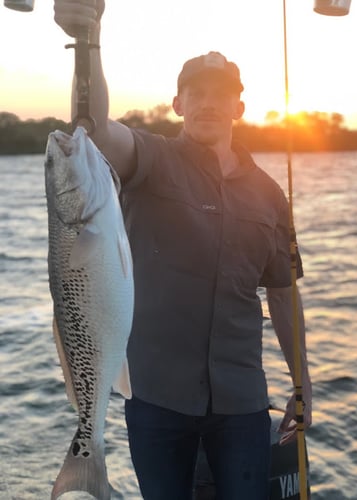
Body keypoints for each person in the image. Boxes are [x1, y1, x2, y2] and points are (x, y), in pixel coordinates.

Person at [54, 2, 312, 499]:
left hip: (242, 402)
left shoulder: (269, 195)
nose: (208, 103)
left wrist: (301, 383)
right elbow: (93, 129)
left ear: (239, 107)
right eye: (197, 93)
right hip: (156, 399)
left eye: (221, 95)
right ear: (178, 102)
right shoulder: (150, 159)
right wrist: (89, 40)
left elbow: (282, 295)